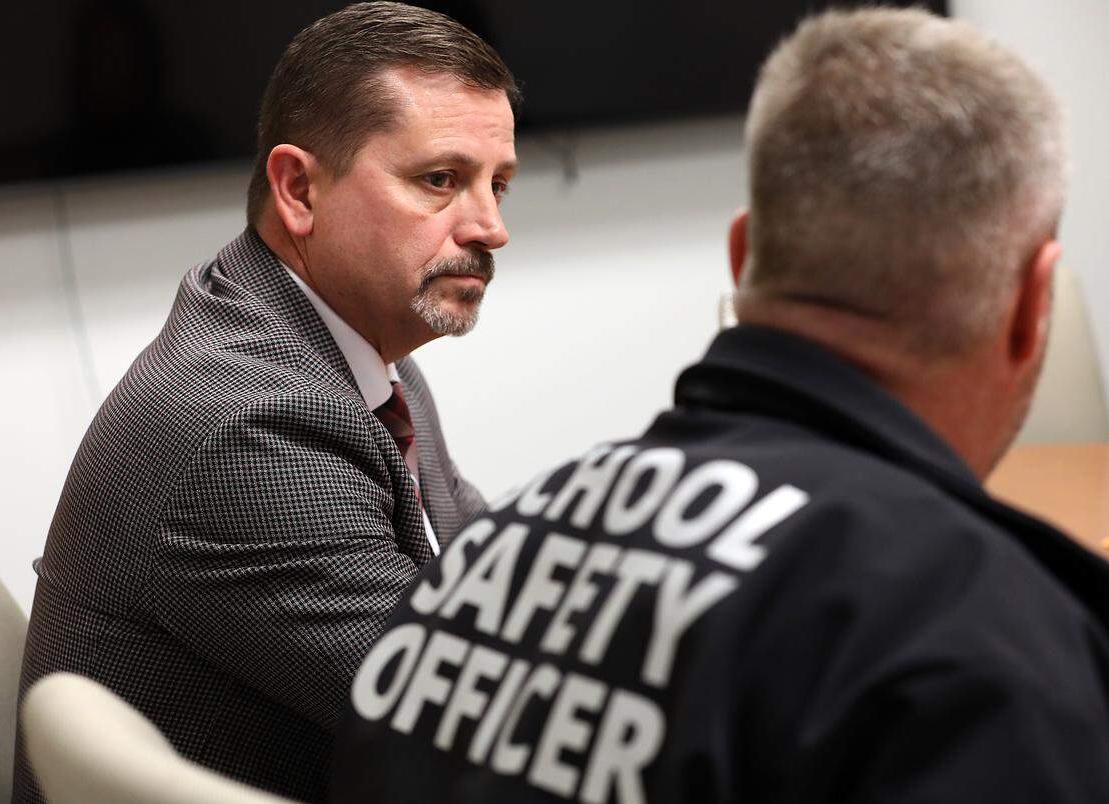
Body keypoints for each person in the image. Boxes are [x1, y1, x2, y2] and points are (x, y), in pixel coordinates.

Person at [332, 8, 1109, 803]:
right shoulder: (980, 638)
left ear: (741, 261)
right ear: (1033, 307)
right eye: (439, 179)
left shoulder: (488, 564)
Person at [13, 3, 518, 802]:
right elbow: (476, 713)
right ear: (298, 189)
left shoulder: (351, 344)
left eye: (499, 185)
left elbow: (487, 565)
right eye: (440, 181)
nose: (490, 228)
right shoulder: (251, 424)